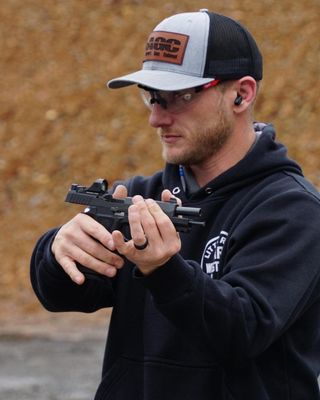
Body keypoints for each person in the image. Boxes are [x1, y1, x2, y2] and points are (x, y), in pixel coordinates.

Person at [30, 9, 320, 400]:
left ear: (242, 93)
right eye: (151, 97)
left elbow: (242, 332)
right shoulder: (138, 196)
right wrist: (57, 251)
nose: (155, 118)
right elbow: (63, 295)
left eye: (179, 97)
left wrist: (164, 271)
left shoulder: (295, 211)